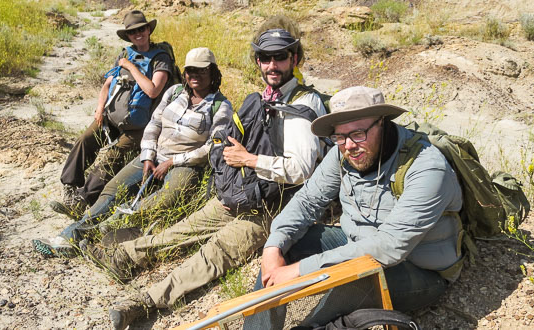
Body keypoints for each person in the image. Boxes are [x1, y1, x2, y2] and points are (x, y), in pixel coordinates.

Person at [85, 27, 327, 330]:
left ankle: (145, 302)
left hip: (277, 208)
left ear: (294, 59)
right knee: (185, 229)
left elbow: (301, 169)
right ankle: (122, 256)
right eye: (265, 58)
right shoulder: (265, 98)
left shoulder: (303, 105)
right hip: (247, 191)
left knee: (214, 254)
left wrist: (248, 160)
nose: (271, 65)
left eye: (280, 58)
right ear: (258, 61)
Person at [243, 86, 464, 329]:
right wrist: (274, 245)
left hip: (417, 270)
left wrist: (300, 270)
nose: (348, 145)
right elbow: (307, 201)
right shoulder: (343, 153)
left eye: (358, 133)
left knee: (353, 280)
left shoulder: (426, 167)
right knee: (292, 242)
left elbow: (390, 247)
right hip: (355, 245)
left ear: (382, 122)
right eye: (339, 137)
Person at [33, 47, 232, 257]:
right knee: (112, 190)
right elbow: (154, 124)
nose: (195, 76)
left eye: (202, 70)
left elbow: (211, 147)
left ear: (212, 73)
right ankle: (68, 237)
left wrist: (172, 162)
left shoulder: (221, 106)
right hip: (154, 155)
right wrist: (147, 156)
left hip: (185, 165)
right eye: (191, 70)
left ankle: (101, 231)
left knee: (164, 199)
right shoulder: (174, 93)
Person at [52, 10, 173, 218]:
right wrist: (100, 107)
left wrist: (131, 67)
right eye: (133, 32)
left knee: (112, 157)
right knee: (85, 140)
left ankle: (83, 200)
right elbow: (108, 83)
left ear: (148, 30)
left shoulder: (160, 58)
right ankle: (70, 187)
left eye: (142, 29)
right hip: (112, 116)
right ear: (128, 36)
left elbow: (153, 90)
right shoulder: (125, 53)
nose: (138, 34)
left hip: (139, 124)